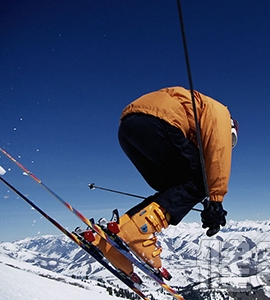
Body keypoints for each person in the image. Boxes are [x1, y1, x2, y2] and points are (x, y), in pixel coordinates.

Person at [92, 86, 238, 281]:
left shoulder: (198, 115)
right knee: (202, 180)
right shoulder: (221, 113)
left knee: (175, 188)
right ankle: (138, 232)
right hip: (158, 122)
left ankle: (114, 239)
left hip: (128, 128)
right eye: (232, 140)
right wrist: (216, 200)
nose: (230, 143)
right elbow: (218, 154)